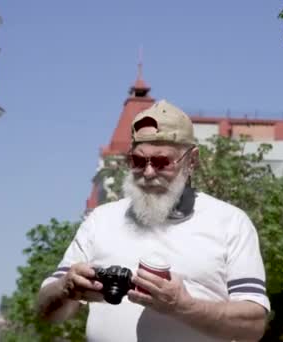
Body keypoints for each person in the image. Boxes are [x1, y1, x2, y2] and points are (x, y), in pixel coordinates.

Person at [37, 100, 270, 341]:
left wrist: (182, 306)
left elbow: (253, 325)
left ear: (192, 161)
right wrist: (66, 288)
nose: (148, 173)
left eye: (161, 162)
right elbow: (46, 312)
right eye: (138, 162)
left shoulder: (230, 222)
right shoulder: (100, 220)